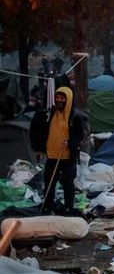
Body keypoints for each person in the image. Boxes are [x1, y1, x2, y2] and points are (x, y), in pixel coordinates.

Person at [29, 86, 87, 214]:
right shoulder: (49, 114)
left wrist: (69, 143)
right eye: (57, 97)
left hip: (67, 157)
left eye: (62, 98)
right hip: (52, 155)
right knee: (49, 183)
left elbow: (79, 135)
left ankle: (68, 208)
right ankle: (47, 207)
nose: (59, 100)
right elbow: (37, 128)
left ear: (69, 99)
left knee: (68, 183)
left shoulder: (75, 116)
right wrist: (38, 147)